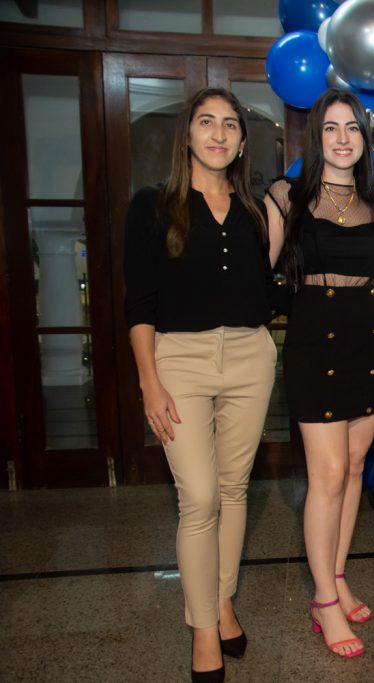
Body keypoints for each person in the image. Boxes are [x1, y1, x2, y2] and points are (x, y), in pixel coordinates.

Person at [124, 87, 277, 683]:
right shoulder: (152, 205)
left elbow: (263, 291)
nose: (219, 133)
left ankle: (221, 600)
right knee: (201, 498)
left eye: (230, 125)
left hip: (248, 357)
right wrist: (148, 382)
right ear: (186, 133)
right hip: (178, 361)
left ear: (241, 140)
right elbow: (139, 301)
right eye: (207, 122)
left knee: (235, 490)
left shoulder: (252, 211)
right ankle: (203, 631)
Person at [265, 89, 374, 657]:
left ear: (364, 140)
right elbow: (257, 274)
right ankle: (321, 601)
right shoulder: (285, 196)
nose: (343, 139)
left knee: (357, 465)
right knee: (329, 473)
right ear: (315, 137)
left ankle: (337, 576)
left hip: (367, 337)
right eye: (331, 128)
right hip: (315, 340)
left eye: (353, 129)